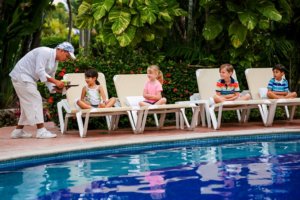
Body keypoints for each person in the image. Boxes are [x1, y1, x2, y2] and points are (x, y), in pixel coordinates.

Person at [9, 41, 76, 139]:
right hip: (21, 75)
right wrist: (56, 82)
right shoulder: (44, 52)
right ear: (61, 50)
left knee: (27, 105)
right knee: (36, 99)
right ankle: (41, 131)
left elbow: (49, 79)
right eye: (67, 56)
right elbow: (39, 71)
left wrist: (58, 89)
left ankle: (18, 131)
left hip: (28, 78)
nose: (67, 59)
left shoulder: (55, 62)